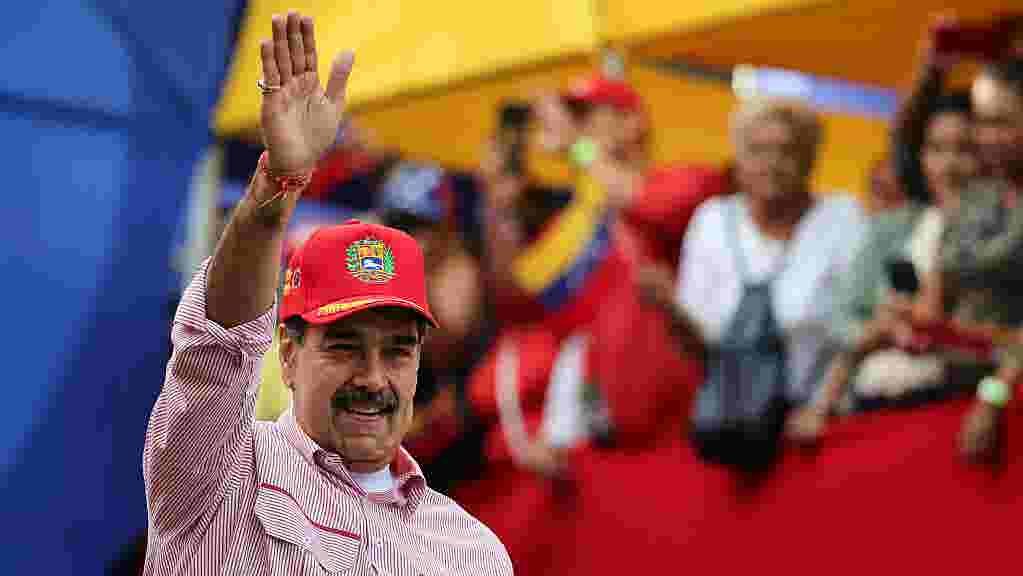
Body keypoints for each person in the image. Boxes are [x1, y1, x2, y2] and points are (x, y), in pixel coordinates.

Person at [142, 11, 512, 575]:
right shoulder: (221, 478)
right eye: (344, 345)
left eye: (397, 350)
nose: (373, 376)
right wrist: (278, 186)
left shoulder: (471, 553)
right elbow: (215, 349)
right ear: (287, 353)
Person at [639, 98, 866, 460]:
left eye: (787, 151)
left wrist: (821, 407)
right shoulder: (711, 220)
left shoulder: (842, 217)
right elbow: (701, 342)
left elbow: (858, 325)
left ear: (810, 160)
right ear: (738, 161)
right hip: (736, 430)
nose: (772, 164)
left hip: (822, 427)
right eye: (758, 151)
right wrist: (669, 308)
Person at [785, 24, 979, 442]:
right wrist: (878, 330)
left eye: (964, 149)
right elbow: (842, 318)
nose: (949, 165)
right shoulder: (896, 227)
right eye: (936, 149)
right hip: (876, 415)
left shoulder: (1000, 231)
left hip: (958, 414)